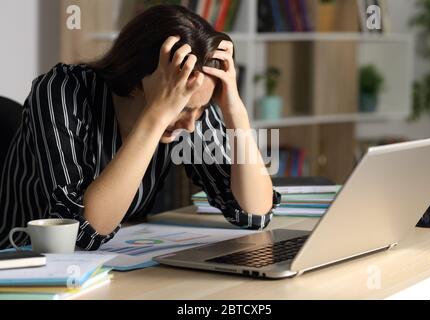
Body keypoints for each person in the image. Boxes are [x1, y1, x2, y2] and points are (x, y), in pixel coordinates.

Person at [0, 5, 279, 251]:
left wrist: (235, 112)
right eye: (181, 109)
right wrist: (158, 115)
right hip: (22, 260)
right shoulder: (61, 90)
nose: (190, 124)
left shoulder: (191, 103)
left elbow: (254, 213)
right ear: (136, 81)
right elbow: (80, 231)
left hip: (114, 261)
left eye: (201, 109)